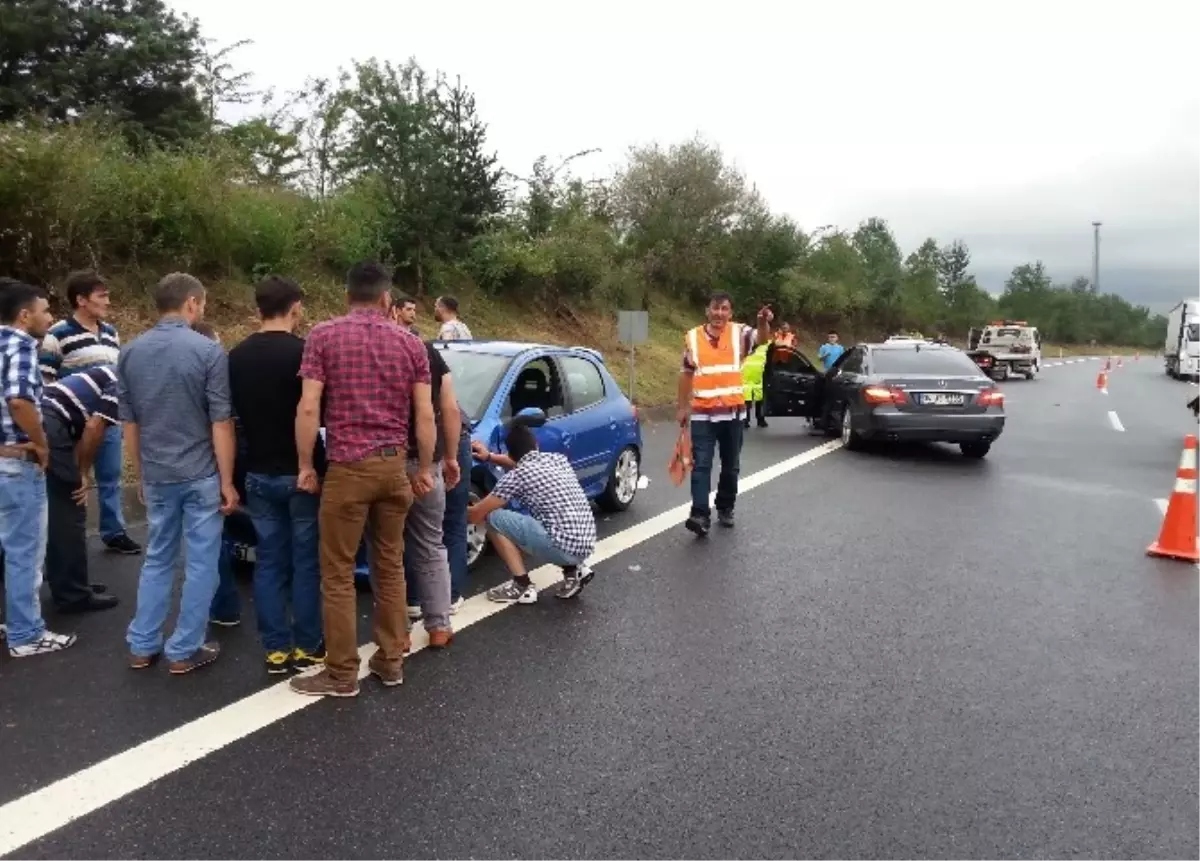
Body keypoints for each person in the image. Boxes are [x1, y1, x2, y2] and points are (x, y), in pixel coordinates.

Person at [290, 262, 435, 698]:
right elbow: (424, 414)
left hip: (348, 468)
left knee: (337, 573)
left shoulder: (323, 336)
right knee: (389, 566)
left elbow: (309, 407)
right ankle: (390, 662)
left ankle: (341, 673)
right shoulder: (411, 343)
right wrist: (424, 468)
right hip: (394, 469)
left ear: (347, 294)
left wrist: (305, 465)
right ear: (387, 298)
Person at [120, 273, 238, 675]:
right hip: (200, 472)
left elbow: (130, 425)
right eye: (202, 304)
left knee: (157, 557)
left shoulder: (130, 353)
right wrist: (227, 481)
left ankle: (142, 644)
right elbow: (221, 423)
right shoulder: (208, 352)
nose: (202, 310)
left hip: (158, 472)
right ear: (191, 303)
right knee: (201, 562)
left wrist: (140, 473)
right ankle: (184, 648)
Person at [228, 276, 325, 674]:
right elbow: (314, 412)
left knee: (269, 562)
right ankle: (307, 647)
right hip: (301, 474)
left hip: (257, 472)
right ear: (296, 307)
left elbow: (228, 419)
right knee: (305, 562)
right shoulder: (306, 355)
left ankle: (274, 649)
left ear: (258, 310)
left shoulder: (235, 356)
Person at [39, 271, 141, 556]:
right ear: (81, 300)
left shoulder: (110, 333)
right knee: (72, 480)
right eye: (101, 296)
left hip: (107, 417)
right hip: (70, 421)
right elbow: (45, 382)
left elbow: (118, 377)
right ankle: (68, 541)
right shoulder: (57, 333)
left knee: (111, 476)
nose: (107, 301)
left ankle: (114, 531)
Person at [0, 281, 76, 657]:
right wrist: (42, 444)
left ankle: (14, 620)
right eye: (45, 310)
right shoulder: (22, 347)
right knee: (25, 552)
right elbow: (19, 401)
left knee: (6, 547)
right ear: (24, 315)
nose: (50, 317)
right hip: (17, 463)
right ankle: (26, 634)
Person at [676, 292, 773, 536]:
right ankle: (699, 514)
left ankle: (725, 507)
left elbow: (762, 339)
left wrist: (762, 322)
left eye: (724, 309)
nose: (719, 313)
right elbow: (686, 373)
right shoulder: (693, 338)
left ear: (730, 313)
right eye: (715, 308)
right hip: (702, 414)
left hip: (733, 414)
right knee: (701, 466)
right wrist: (682, 406)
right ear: (707, 310)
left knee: (731, 466)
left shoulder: (739, 333)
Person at [469, 423, 596, 603]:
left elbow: (476, 514)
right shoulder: (557, 459)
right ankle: (574, 570)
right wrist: (489, 457)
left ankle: (521, 586)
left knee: (493, 517)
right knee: (552, 520)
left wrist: (451, 509)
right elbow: (520, 462)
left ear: (509, 451)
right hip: (586, 543)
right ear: (535, 444)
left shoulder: (516, 477)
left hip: (562, 547)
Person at [41, 364, 122, 613]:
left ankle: (68, 581)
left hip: (47, 417)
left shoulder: (115, 371)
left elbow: (82, 427)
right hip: (50, 420)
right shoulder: (125, 380)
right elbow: (94, 428)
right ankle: (72, 594)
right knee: (70, 505)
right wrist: (82, 473)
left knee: (56, 508)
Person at [741, 342, 768, 430]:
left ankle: (760, 419)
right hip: (746, 381)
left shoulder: (764, 347)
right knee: (747, 402)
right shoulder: (743, 347)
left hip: (757, 381)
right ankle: (746, 420)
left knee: (759, 402)